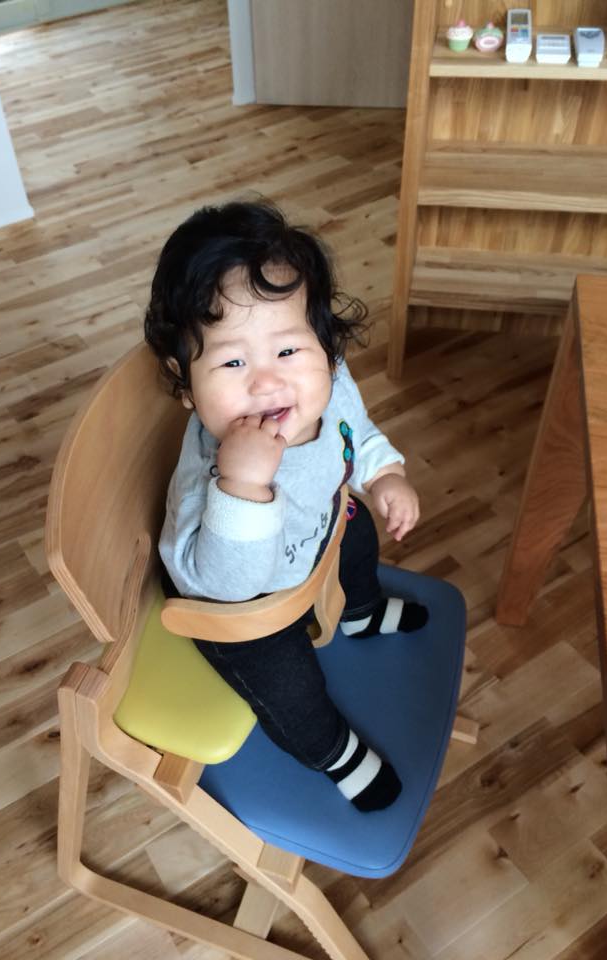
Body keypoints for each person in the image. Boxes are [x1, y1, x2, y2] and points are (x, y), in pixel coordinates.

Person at [144, 199, 425, 812]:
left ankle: (361, 612)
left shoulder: (328, 384)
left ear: (326, 347)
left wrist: (386, 473)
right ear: (185, 383)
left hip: (317, 531)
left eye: (289, 351)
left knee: (357, 532)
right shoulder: (212, 481)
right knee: (288, 684)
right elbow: (228, 586)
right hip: (241, 608)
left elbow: (354, 432)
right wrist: (243, 487)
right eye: (232, 361)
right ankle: (333, 753)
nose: (267, 382)